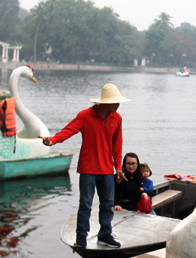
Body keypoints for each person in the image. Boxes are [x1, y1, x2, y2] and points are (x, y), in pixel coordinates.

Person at [39, 83, 131, 249]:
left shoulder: (117, 118)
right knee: (85, 204)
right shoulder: (85, 115)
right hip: (88, 169)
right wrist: (52, 140)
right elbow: (68, 131)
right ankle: (81, 237)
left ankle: (104, 235)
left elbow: (117, 144)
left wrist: (118, 167)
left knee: (107, 204)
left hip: (107, 170)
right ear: (105, 102)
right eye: (115, 102)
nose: (118, 105)